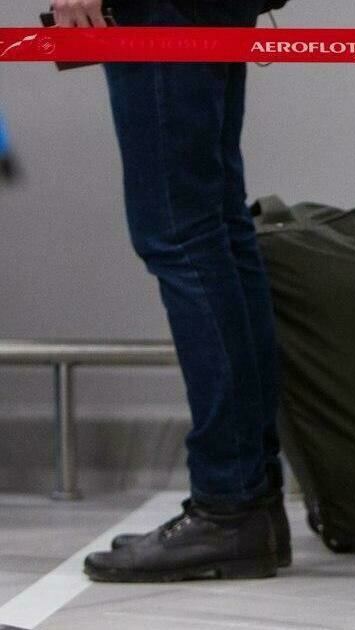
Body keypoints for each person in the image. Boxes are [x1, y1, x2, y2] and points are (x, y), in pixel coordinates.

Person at [51, 0, 290, 583]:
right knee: (219, 231)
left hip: (160, 8)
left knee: (183, 238)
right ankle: (250, 500)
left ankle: (229, 503)